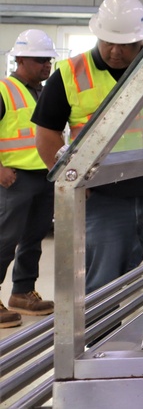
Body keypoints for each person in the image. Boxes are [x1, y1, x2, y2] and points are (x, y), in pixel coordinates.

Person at [32, 0, 143, 292]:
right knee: (102, 283)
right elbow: (47, 134)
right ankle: (102, 337)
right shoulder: (70, 73)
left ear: (141, 39)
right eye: (108, 41)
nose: (115, 51)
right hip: (103, 198)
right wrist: (69, 178)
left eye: (125, 44)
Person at [0, 30, 59, 327]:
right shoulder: (4, 90)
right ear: (20, 59)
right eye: (40, 60)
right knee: (4, 239)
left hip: (44, 176)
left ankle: (22, 292)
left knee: (33, 238)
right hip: (13, 179)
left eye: (48, 60)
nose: (46, 66)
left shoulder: (45, 92)